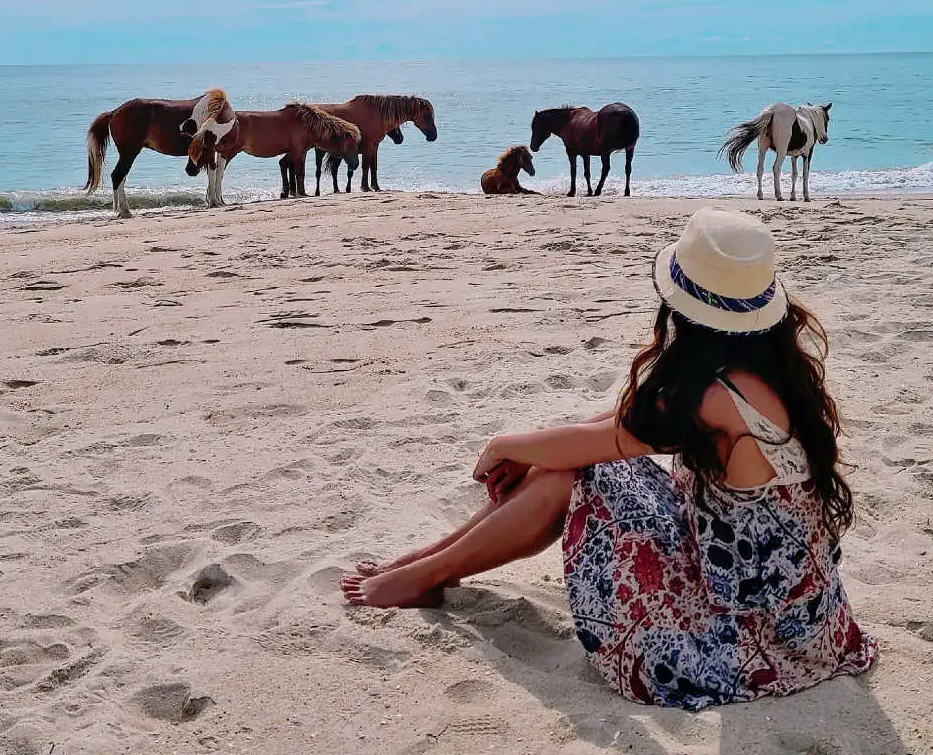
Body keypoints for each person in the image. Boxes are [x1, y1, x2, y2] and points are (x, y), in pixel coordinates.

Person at [340, 207, 878, 709]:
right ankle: (427, 565)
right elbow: (617, 422)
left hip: (741, 636)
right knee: (573, 459)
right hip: (806, 618)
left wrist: (506, 446)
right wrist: (531, 448)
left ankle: (426, 573)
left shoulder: (715, 400)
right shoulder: (772, 368)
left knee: (573, 475)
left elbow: (603, 442)